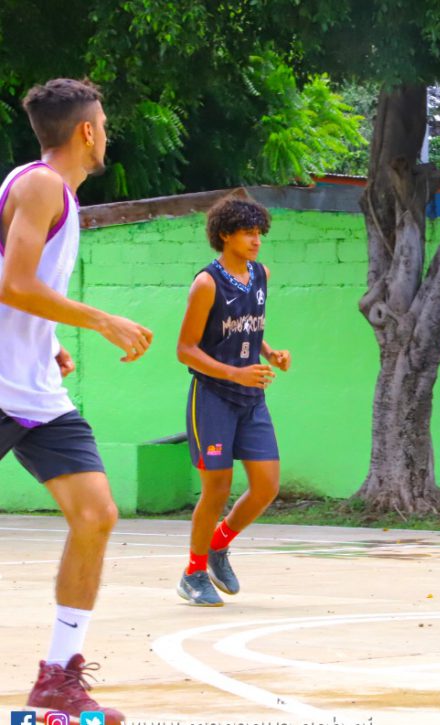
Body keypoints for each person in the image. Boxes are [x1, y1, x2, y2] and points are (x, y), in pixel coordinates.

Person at [0, 78, 153, 721]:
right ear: (87, 131)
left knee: (96, 513)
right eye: (105, 124)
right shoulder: (40, 185)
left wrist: (52, 339)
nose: (107, 134)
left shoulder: (44, 190)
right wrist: (101, 320)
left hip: (36, 391)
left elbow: (17, 283)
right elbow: (13, 283)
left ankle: (58, 678)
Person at [175, 196, 290, 606]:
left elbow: (245, 327)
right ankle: (192, 573)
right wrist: (234, 372)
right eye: (247, 233)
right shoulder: (207, 284)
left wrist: (269, 352)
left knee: (266, 486)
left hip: (251, 397)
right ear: (225, 235)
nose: (256, 240)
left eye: (259, 233)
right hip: (213, 397)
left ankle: (218, 545)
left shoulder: (260, 274)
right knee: (217, 489)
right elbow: (185, 349)